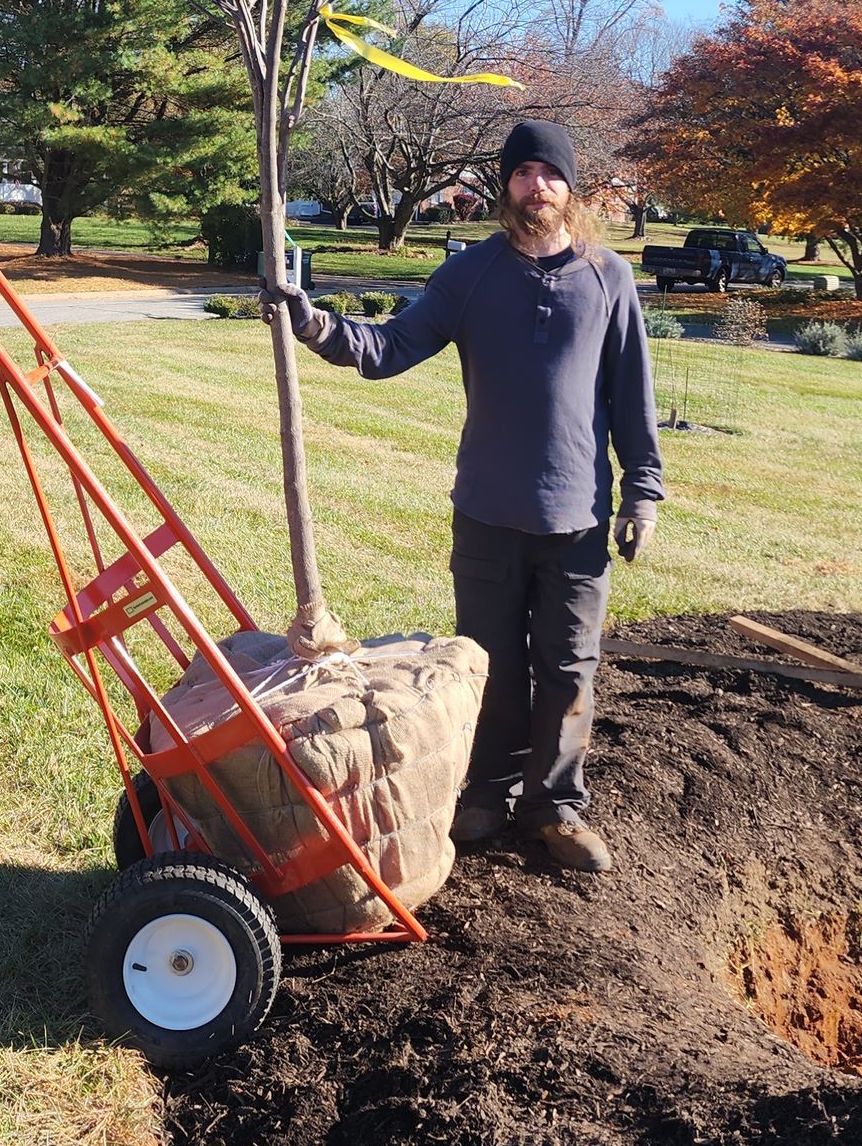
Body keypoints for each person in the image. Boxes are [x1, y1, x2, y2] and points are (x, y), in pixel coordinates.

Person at [263, 119, 663, 873]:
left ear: (570, 188)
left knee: (569, 665)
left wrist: (642, 496)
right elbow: (387, 348)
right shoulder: (472, 275)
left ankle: (557, 806)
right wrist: (311, 322)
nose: (535, 186)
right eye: (521, 173)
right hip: (485, 512)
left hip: (577, 518)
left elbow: (633, 399)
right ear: (503, 187)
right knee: (489, 663)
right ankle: (487, 790)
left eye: (549, 173)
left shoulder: (609, 278)